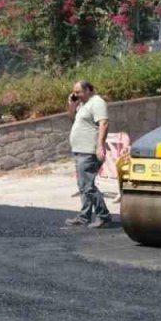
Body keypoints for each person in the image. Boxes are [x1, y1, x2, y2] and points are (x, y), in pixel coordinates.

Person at [66, 81, 112, 229]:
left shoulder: (97, 102)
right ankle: (84, 216)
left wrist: (99, 146)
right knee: (82, 186)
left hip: (89, 151)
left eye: (78, 92)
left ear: (88, 90)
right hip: (79, 150)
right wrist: (72, 105)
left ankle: (103, 216)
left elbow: (103, 124)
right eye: (74, 92)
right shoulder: (83, 105)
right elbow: (72, 118)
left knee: (88, 186)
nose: (75, 94)